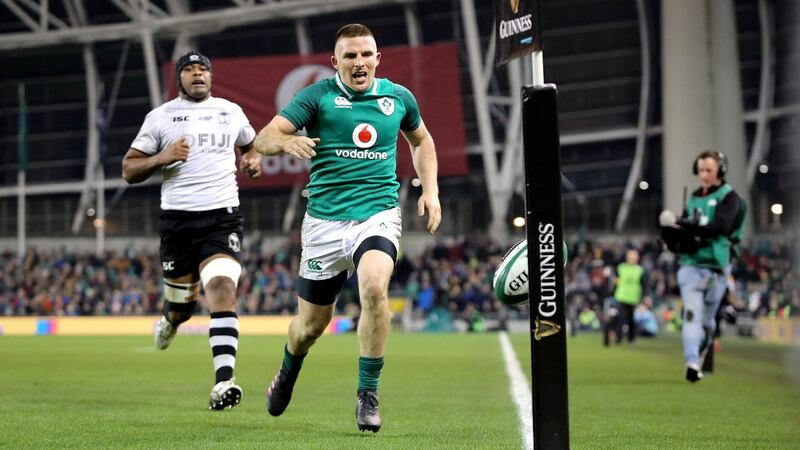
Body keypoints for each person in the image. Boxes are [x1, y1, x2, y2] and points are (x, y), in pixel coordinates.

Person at [253, 23, 441, 432]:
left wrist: (431, 191)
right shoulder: (317, 97)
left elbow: (422, 141)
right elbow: (265, 137)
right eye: (351, 56)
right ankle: (287, 370)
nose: (360, 62)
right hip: (323, 223)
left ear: (378, 58)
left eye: (366, 54)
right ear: (335, 62)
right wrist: (285, 143)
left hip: (377, 214)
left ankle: (367, 395)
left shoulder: (398, 97)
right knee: (309, 328)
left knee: (374, 286)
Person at [122, 51, 263, 409]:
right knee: (182, 309)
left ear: (211, 77)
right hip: (178, 223)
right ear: (179, 78)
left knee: (221, 287)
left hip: (221, 219)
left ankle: (224, 382)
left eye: (203, 70)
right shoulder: (160, 118)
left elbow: (249, 144)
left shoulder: (230, 110)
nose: (197, 74)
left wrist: (252, 160)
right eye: (189, 70)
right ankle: (170, 321)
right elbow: (129, 169)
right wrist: (162, 157)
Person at [660, 150, 745, 383]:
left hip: (717, 267)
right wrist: (672, 234)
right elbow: (688, 232)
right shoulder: (694, 197)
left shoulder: (730, 198)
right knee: (691, 315)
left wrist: (682, 223)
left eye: (709, 169)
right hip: (691, 265)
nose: (704, 174)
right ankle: (691, 361)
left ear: (720, 170)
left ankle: (699, 354)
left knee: (707, 321)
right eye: (701, 170)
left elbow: (719, 227)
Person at [613, 249, 644, 343]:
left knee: (631, 318)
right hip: (621, 295)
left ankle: (631, 337)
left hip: (633, 297)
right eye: (631, 257)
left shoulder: (640, 270)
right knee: (621, 317)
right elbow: (616, 279)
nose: (632, 259)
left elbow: (643, 284)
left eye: (634, 257)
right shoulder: (621, 267)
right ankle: (618, 337)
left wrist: (642, 299)